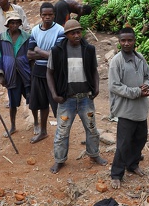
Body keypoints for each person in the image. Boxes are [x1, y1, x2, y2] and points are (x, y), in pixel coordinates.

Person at [46, 19, 108, 174]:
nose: (76, 35)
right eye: (72, 33)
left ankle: (94, 154)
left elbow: (94, 71)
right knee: (62, 131)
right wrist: (54, 94)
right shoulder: (57, 51)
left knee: (92, 128)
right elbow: (49, 73)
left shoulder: (88, 49)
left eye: (78, 32)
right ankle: (59, 160)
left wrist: (97, 88)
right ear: (66, 35)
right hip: (66, 99)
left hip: (85, 97)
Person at [108, 27, 149, 189]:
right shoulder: (116, 62)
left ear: (135, 41)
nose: (126, 43)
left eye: (130, 40)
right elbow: (114, 86)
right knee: (123, 144)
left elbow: (148, 76)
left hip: (141, 109)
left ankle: (133, 165)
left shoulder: (140, 58)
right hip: (126, 109)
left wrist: (147, 86)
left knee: (140, 139)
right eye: (123, 40)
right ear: (119, 42)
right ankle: (116, 174)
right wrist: (136, 92)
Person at [27, 2, 65, 143]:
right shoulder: (35, 30)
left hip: (54, 73)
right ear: (40, 15)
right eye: (45, 15)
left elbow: (57, 56)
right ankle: (43, 132)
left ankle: (62, 134)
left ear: (54, 15)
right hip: (38, 72)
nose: (47, 17)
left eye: (50, 15)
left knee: (58, 105)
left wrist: (38, 50)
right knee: (41, 104)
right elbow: (29, 54)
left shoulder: (60, 30)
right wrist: (45, 53)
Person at [0, 12, 31, 138]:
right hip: (11, 75)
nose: (14, 25)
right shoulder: (2, 38)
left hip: (25, 73)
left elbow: (31, 55)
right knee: (12, 103)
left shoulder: (26, 36)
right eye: (11, 23)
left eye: (16, 22)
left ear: (20, 24)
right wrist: (1, 74)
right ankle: (13, 126)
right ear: (8, 24)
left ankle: (37, 124)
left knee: (32, 100)